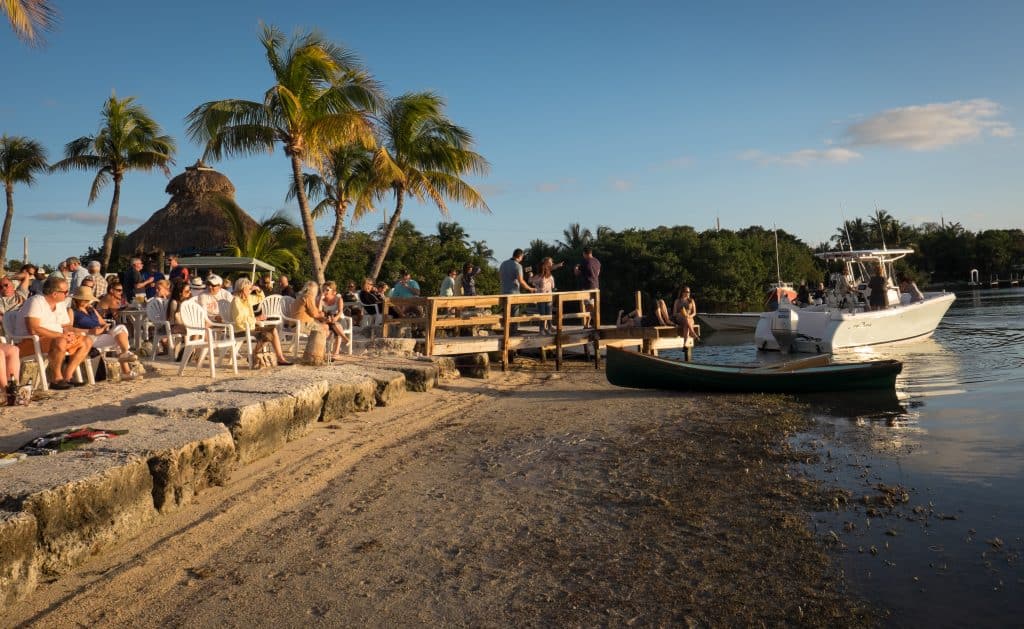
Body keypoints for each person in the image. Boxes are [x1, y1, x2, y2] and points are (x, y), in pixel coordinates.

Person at [18, 275, 93, 390]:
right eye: (65, 291)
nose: (67, 294)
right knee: (61, 341)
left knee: (87, 341)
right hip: (32, 340)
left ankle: (67, 376)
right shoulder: (36, 301)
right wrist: (61, 335)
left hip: (56, 338)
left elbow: (66, 325)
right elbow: (33, 329)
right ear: (54, 293)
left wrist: (70, 334)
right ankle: (56, 379)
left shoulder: (60, 304)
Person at [70, 286, 137, 379]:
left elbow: (104, 323)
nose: (86, 301)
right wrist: (90, 331)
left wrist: (103, 328)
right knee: (119, 339)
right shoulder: (72, 311)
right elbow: (69, 329)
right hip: (87, 338)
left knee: (121, 328)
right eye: (83, 299)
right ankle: (126, 370)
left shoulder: (91, 310)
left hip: (100, 335)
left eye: (87, 299)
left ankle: (125, 353)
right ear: (76, 299)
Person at [231, 277, 292, 366]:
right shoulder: (236, 301)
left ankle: (280, 358)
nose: (250, 291)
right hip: (241, 330)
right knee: (268, 334)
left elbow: (261, 298)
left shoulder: (247, 299)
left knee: (272, 330)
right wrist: (256, 319)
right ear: (243, 289)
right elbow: (239, 320)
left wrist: (258, 289)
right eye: (248, 289)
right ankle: (254, 355)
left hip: (250, 327)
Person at [318, 281, 351, 358]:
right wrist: (320, 299)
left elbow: (340, 312)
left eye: (327, 290)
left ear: (333, 291)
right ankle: (345, 339)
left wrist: (335, 318)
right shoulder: (322, 299)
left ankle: (336, 353)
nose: (324, 291)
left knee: (336, 325)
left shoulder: (338, 298)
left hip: (339, 319)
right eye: (323, 289)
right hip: (328, 320)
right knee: (332, 325)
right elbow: (319, 312)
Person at [530, 257, 562, 334]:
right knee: (548, 313)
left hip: (541, 297)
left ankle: (543, 329)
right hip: (548, 296)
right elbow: (553, 287)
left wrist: (530, 275)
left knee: (543, 313)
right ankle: (548, 328)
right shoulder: (550, 277)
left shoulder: (537, 277)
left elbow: (531, 282)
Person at [574, 247, 601, 327]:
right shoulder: (597, 261)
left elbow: (577, 273)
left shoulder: (584, 262)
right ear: (591, 252)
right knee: (590, 305)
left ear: (584, 253)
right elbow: (598, 273)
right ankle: (587, 324)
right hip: (595, 286)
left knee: (589, 306)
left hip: (587, 286)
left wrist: (575, 268)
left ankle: (596, 322)